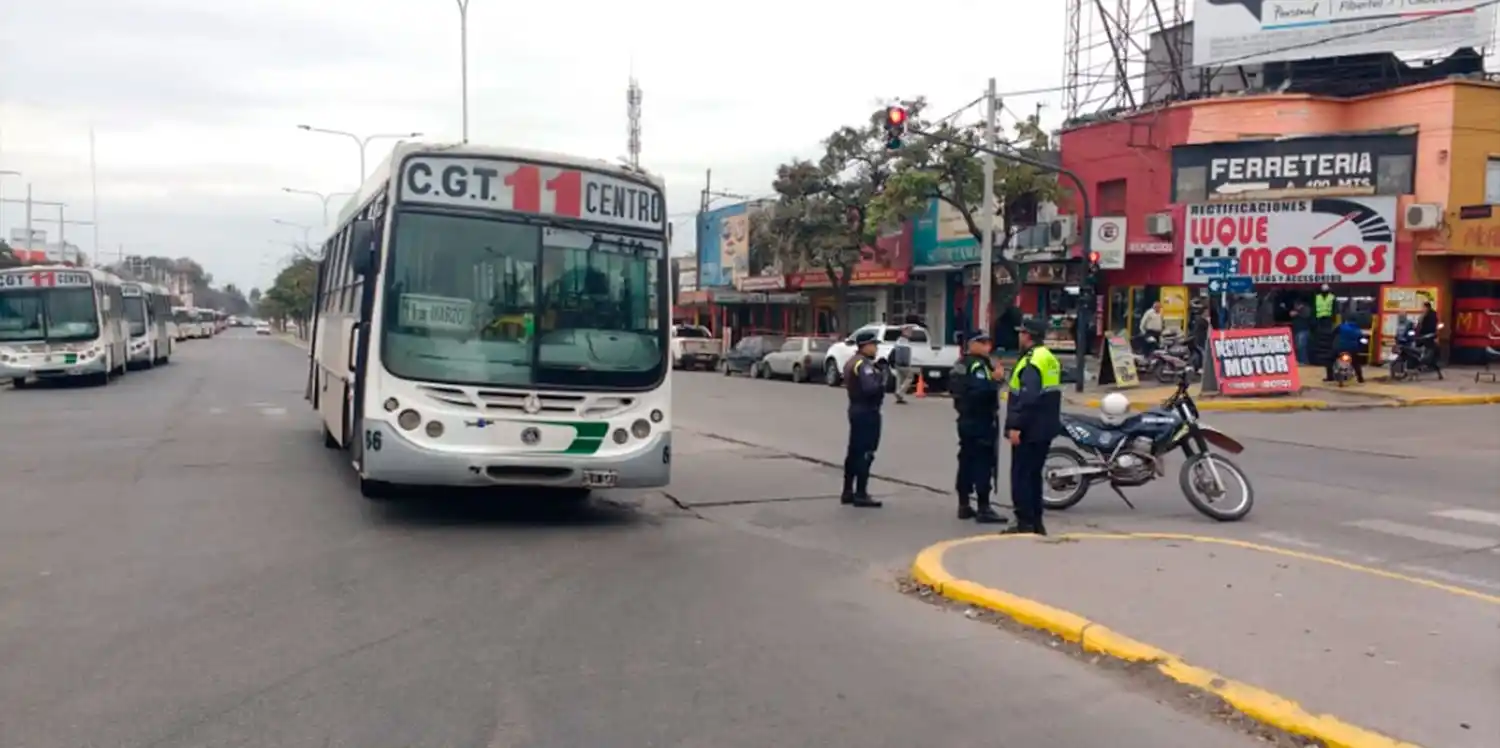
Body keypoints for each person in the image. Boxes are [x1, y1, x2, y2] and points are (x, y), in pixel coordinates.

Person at [1004, 317, 1063, 535]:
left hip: (1029, 428)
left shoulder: (1031, 361)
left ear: (1027, 335)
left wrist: (1016, 425)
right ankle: (1036, 522)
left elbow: (1028, 398)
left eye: (1021, 333)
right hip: (1045, 427)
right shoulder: (1047, 357)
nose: (1019, 336)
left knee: (1021, 476)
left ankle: (1025, 523)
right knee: (1033, 475)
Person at [948, 331, 1007, 524]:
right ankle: (984, 507)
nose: (986, 346)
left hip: (965, 419)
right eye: (982, 342)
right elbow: (980, 391)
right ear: (972, 344)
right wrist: (996, 379)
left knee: (966, 460)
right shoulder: (977, 365)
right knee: (983, 462)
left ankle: (964, 504)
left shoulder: (961, 363)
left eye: (988, 342)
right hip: (980, 419)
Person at [841, 329, 886, 508]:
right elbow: (871, 388)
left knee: (854, 451)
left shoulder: (853, 361)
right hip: (867, 411)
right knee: (866, 452)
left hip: (856, 409)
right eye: (874, 345)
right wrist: (882, 375)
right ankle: (861, 493)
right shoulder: (863, 364)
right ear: (865, 346)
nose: (876, 348)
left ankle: (847, 491)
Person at [1324, 317, 1367, 383]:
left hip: (1339, 348)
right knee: (1356, 363)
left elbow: (1332, 334)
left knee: (1329, 360)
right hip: (1352, 350)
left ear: (1346, 321)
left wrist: (1332, 342)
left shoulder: (1341, 327)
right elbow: (1362, 341)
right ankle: (1360, 378)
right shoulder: (1358, 330)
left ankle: (1330, 377)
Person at [890, 326, 915, 404]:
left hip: (897, 363)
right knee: (910, 377)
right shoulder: (904, 341)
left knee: (900, 379)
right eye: (909, 331)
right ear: (904, 332)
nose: (911, 333)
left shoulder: (898, 340)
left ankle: (899, 398)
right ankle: (899, 392)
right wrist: (906, 363)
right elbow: (904, 354)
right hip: (903, 363)